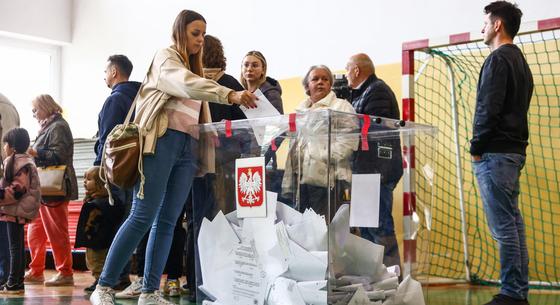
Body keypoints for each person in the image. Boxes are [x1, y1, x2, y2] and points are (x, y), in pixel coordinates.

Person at [89, 9, 257, 305]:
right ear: (179, 32)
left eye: (204, 34)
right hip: (162, 140)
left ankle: (150, 291)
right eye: (195, 33)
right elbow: (184, 83)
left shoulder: (195, 69)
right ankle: (104, 286)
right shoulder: (167, 58)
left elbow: (197, 99)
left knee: (167, 221)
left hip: (187, 148)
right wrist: (229, 94)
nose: (201, 40)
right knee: (143, 215)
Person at [471, 2, 533, 305]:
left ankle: (511, 293)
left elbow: (488, 108)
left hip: (495, 154)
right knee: (513, 225)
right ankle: (517, 292)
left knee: (504, 227)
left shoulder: (498, 60)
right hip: (513, 153)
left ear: (497, 25)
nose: (482, 28)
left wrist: (476, 148)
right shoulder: (520, 61)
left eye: (485, 22)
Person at [345, 53, 404, 269]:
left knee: (379, 227)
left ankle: (391, 278)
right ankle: (376, 276)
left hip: (376, 171)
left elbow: (372, 131)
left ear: (357, 70)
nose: (346, 74)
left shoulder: (376, 91)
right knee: (367, 227)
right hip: (366, 171)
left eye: (347, 69)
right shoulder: (364, 92)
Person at [91, 54, 141, 293]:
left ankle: (114, 276)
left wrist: (99, 165)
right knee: (134, 218)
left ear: (114, 72)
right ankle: (125, 274)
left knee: (116, 221)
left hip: (118, 169)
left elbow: (108, 138)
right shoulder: (140, 96)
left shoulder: (115, 99)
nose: (104, 76)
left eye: (105, 71)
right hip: (139, 166)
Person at [282, 65, 357, 216]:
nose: (320, 82)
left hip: (329, 179)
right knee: (303, 228)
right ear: (307, 85)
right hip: (301, 180)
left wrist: (321, 156)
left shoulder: (341, 107)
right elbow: (294, 148)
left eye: (325, 79)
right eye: (315, 79)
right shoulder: (300, 111)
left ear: (330, 84)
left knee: (325, 230)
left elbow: (348, 142)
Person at [26, 94, 78, 287]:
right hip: (44, 189)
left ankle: (65, 272)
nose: (33, 114)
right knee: (35, 230)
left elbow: (60, 155)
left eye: (35, 110)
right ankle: (36, 270)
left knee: (57, 231)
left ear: (46, 107)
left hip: (55, 188)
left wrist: (35, 152)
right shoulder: (48, 126)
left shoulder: (59, 127)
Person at [0, 128, 40, 294]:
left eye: (5, 144)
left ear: (12, 147)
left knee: (15, 248)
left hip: (15, 210)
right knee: (17, 247)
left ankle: (13, 283)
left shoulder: (18, 163)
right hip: (17, 210)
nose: (4, 147)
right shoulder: (23, 161)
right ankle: (17, 281)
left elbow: (18, 189)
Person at [74, 166, 125, 293]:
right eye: (84, 178)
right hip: (96, 240)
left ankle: (101, 281)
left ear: (101, 182)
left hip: (97, 241)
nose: (85, 181)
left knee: (97, 262)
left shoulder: (101, 203)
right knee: (93, 261)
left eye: (89, 179)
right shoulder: (104, 200)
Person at [0, 93, 20, 288]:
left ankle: (7, 276)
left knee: (7, 238)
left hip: (9, 204)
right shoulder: (8, 103)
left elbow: (17, 190)